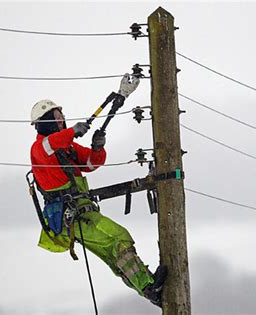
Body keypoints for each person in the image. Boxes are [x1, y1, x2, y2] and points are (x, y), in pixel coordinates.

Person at [29, 74, 167, 307]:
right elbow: (51, 143)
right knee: (118, 237)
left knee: (113, 253)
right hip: (71, 217)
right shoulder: (40, 148)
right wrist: (72, 131)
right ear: (46, 121)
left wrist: (96, 146)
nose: (62, 119)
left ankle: (148, 289)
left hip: (82, 213)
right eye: (57, 116)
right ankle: (148, 285)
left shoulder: (67, 147)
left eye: (62, 116)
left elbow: (91, 163)